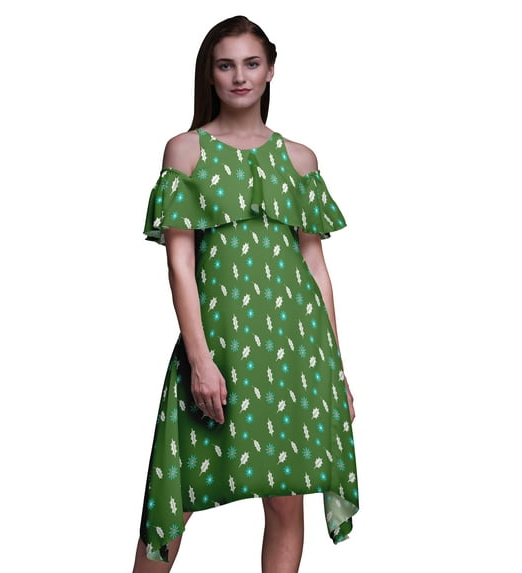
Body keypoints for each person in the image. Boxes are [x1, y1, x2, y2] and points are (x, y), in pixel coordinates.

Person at [132, 15, 359, 573]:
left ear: (270, 71)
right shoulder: (186, 151)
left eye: (251, 64)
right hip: (220, 346)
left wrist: (335, 368)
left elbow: (316, 267)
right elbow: (180, 265)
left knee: (286, 498)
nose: (240, 77)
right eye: (226, 65)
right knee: (175, 496)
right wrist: (200, 359)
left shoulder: (300, 159)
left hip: (295, 349)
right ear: (209, 74)